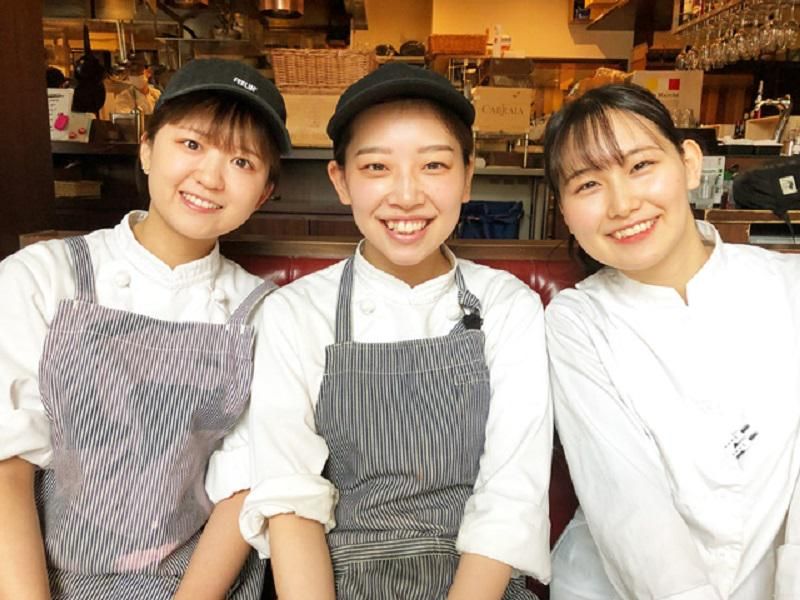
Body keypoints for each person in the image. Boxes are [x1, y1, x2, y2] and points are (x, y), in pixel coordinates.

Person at [239, 62, 552, 600]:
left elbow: (510, 496)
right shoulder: (296, 312)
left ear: (467, 177)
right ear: (341, 180)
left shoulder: (507, 306)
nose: (406, 196)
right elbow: (291, 500)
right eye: (377, 167)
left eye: (433, 165)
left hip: (476, 582)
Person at [0, 58, 291, 599]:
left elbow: (244, 485)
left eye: (242, 161)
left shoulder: (265, 314)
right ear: (147, 149)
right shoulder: (43, 278)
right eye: (191, 144)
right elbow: (6, 465)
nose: (210, 177)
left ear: (264, 192)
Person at [542, 83, 800, 600]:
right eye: (588, 184)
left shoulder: (788, 287)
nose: (622, 204)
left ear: (688, 163)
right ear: (564, 210)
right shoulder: (575, 322)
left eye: (640, 165)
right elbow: (629, 505)